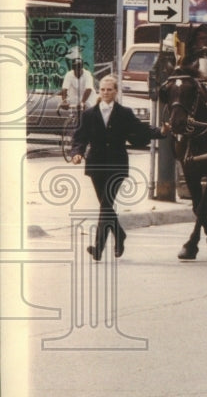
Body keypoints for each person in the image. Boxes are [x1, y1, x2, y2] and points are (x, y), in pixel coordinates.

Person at [70, 75, 170, 260]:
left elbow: (141, 131)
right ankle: (120, 234)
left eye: (110, 89)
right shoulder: (89, 114)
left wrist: (161, 132)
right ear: (99, 91)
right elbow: (80, 136)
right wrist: (77, 152)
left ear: (116, 91)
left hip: (117, 164)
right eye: (103, 90)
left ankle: (98, 248)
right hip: (96, 164)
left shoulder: (124, 113)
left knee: (106, 204)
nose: (106, 93)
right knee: (105, 206)